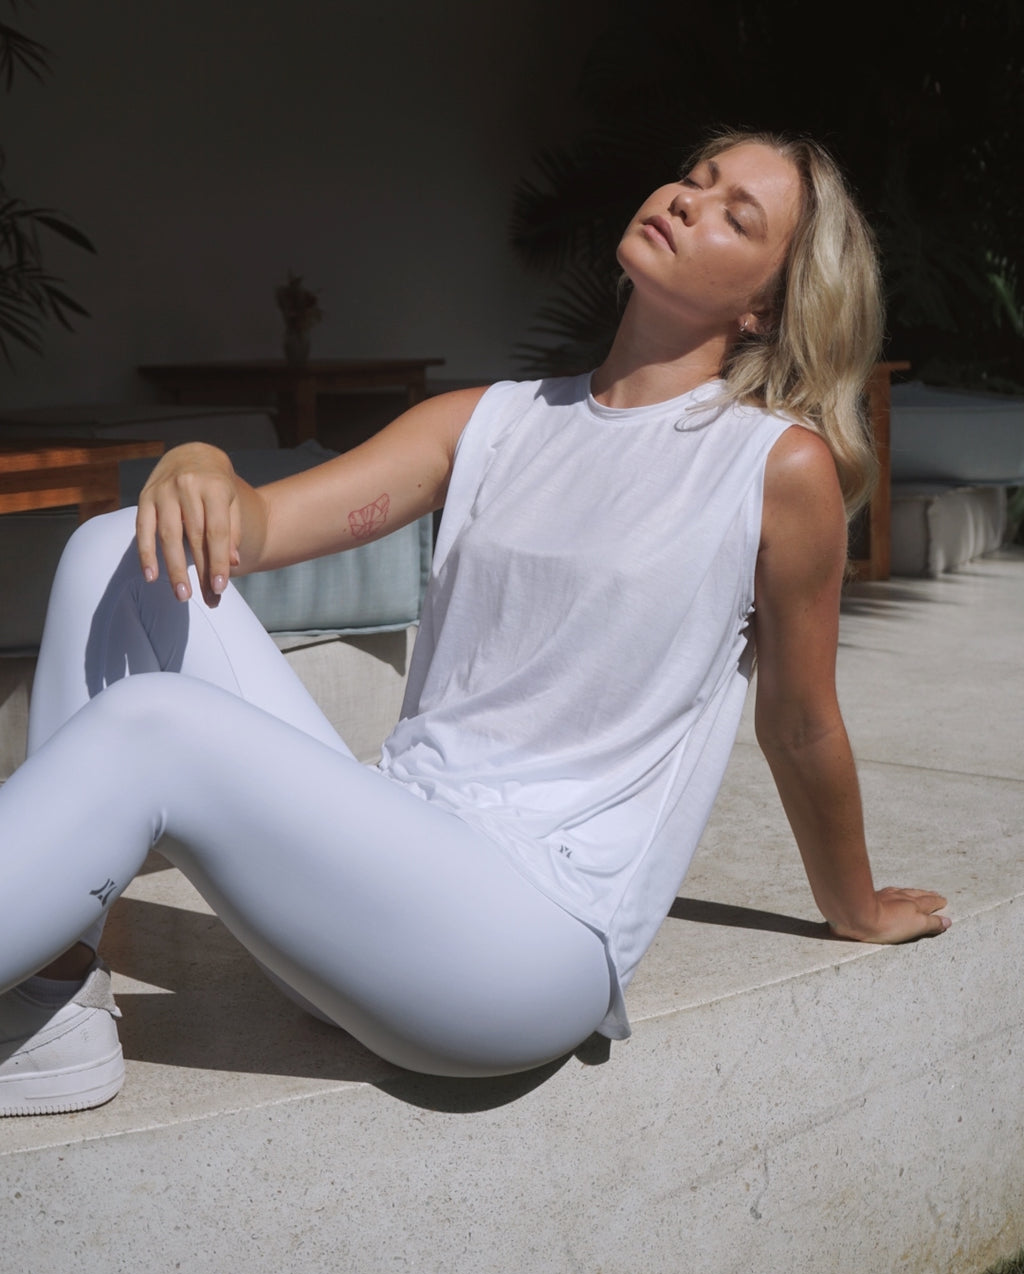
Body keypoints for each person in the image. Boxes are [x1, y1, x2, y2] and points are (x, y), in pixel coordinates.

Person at [0, 130, 949, 1115]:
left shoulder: (769, 466)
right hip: (383, 884)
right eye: (692, 177)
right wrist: (200, 459)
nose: (684, 199)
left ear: (764, 303)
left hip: (518, 948)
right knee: (114, 544)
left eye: (733, 214)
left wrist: (857, 903)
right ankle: (47, 1000)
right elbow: (254, 526)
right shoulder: (488, 418)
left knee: (152, 726)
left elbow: (799, 720)